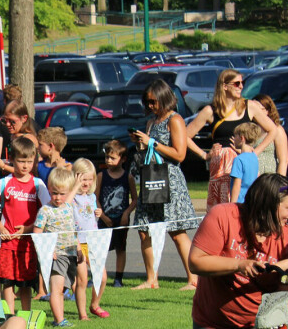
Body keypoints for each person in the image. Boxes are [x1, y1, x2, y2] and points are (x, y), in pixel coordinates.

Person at [188, 173, 288, 329]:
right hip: (213, 323)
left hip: (260, 327)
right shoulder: (223, 216)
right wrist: (240, 265)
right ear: (268, 205)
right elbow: (196, 262)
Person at [129, 79, 200, 291]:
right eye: (147, 102)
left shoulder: (175, 120)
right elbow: (152, 150)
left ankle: (193, 279)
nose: (150, 106)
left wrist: (153, 143)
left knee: (176, 231)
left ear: (163, 98)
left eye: (153, 102)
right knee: (145, 230)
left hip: (169, 180)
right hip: (151, 178)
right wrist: (141, 144)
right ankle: (152, 279)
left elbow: (180, 154)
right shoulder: (151, 122)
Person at [0, 137, 50, 313]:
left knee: (25, 283)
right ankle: (9, 315)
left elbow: (46, 213)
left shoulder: (38, 185)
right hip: (7, 243)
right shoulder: (4, 183)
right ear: (12, 160)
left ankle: (26, 315)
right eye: (21, 161)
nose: (25, 166)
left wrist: (29, 229)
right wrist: (1, 229)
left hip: (28, 243)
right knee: (7, 282)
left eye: (29, 162)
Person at [185, 68, 277, 171]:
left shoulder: (249, 106)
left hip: (244, 164)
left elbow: (273, 129)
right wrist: (204, 155)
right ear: (224, 86)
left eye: (243, 83)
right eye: (237, 84)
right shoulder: (210, 111)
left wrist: (255, 153)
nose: (241, 87)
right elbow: (185, 136)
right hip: (221, 167)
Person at [34, 167, 80, 327]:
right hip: (56, 255)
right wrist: (47, 250)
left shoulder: (68, 207)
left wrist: (78, 248)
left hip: (70, 253)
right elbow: (37, 232)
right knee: (56, 288)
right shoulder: (45, 210)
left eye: (62, 194)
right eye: (54, 193)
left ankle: (60, 319)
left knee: (62, 290)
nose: (58, 198)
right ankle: (59, 320)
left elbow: (72, 231)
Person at [97, 140, 137, 288]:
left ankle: (118, 278)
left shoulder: (128, 177)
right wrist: (103, 217)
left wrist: (126, 214)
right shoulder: (101, 176)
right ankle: (99, 274)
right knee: (100, 248)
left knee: (120, 248)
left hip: (121, 219)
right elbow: (95, 198)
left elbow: (135, 199)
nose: (108, 160)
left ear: (123, 159)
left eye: (112, 158)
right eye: (107, 157)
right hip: (104, 219)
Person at [72, 158, 107, 319]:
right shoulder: (71, 197)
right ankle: (82, 313)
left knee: (102, 276)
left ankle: (95, 304)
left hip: (93, 241)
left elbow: (91, 219)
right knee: (82, 279)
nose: (86, 183)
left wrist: (98, 214)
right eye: (82, 179)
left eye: (89, 179)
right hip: (78, 242)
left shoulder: (92, 197)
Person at [251, 94, 288, 176]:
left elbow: (283, 160)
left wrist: (279, 183)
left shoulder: (277, 130)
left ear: (267, 111)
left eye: (259, 110)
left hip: (269, 177)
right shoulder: (249, 129)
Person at [202, 129, 238, 210]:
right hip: (219, 162)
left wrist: (251, 152)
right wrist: (204, 155)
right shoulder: (213, 116)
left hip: (234, 158)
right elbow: (187, 134)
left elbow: (272, 129)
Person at [229, 123, 262, 203]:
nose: (234, 139)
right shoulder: (254, 157)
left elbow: (237, 184)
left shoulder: (239, 159)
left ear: (242, 138)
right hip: (251, 201)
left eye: (235, 136)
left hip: (240, 202)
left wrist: (232, 204)